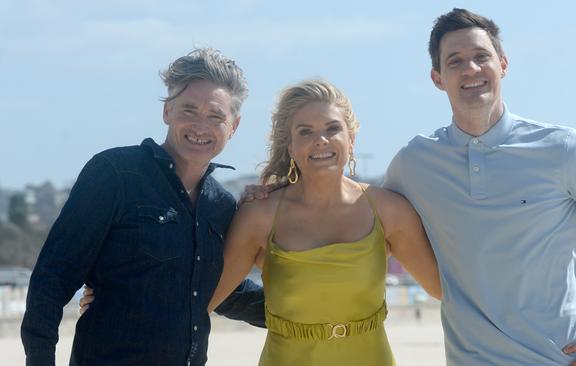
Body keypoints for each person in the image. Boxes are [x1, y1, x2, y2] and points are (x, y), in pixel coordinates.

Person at [383, 8, 576, 365]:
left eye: (482, 57)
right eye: (455, 61)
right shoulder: (413, 164)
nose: (471, 69)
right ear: (437, 77)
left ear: (503, 65)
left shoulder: (565, 150)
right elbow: (367, 230)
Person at [21, 48, 265, 366]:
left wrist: (318, 313)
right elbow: (54, 275)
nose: (201, 126)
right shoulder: (115, 173)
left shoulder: (221, 206)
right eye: (188, 110)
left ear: (233, 125)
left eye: (216, 116)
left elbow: (222, 290)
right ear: (167, 111)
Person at [207, 79, 442, 366]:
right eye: (306, 132)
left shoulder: (389, 210)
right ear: (291, 148)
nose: (321, 140)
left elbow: (444, 289)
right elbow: (204, 300)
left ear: (351, 139)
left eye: (333, 128)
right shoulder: (260, 216)